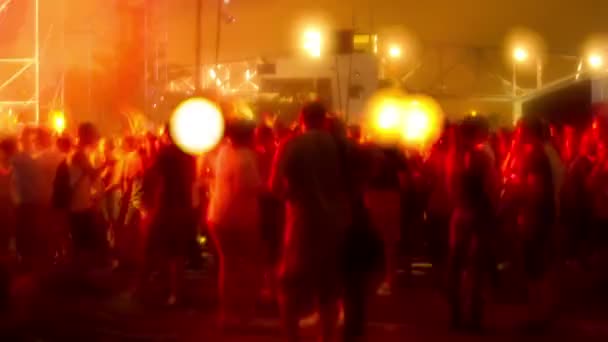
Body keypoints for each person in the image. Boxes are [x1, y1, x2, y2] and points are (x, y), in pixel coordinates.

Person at [269, 102, 350, 342]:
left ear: (302, 118)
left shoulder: (292, 144)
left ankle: (292, 337)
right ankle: (326, 337)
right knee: (328, 289)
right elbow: (368, 165)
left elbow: (274, 186)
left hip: (302, 222)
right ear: (324, 119)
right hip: (335, 223)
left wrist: (291, 197)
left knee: (290, 287)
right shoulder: (339, 145)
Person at [208, 121, 263, 329]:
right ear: (248, 136)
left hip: (218, 214)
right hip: (240, 218)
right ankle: (245, 316)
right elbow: (249, 187)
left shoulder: (224, 152)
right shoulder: (246, 158)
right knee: (248, 267)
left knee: (228, 266)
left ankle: (225, 314)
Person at [446, 116, 499, 331]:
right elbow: (491, 187)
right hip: (478, 215)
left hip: (460, 213)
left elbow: (450, 186)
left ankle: (456, 315)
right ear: (477, 133)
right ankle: (474, 317)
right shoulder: (479, 156)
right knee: (476, 267)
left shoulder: (453, 155)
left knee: (456, 266)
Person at [142, 126, 197, 305]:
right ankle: (176, 292)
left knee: (158, 248)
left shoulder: (166, 154)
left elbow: (152, 174)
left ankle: (154, 289)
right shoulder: (189, 155)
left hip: (165, 205)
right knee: (178, 252)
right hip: (183, 206)